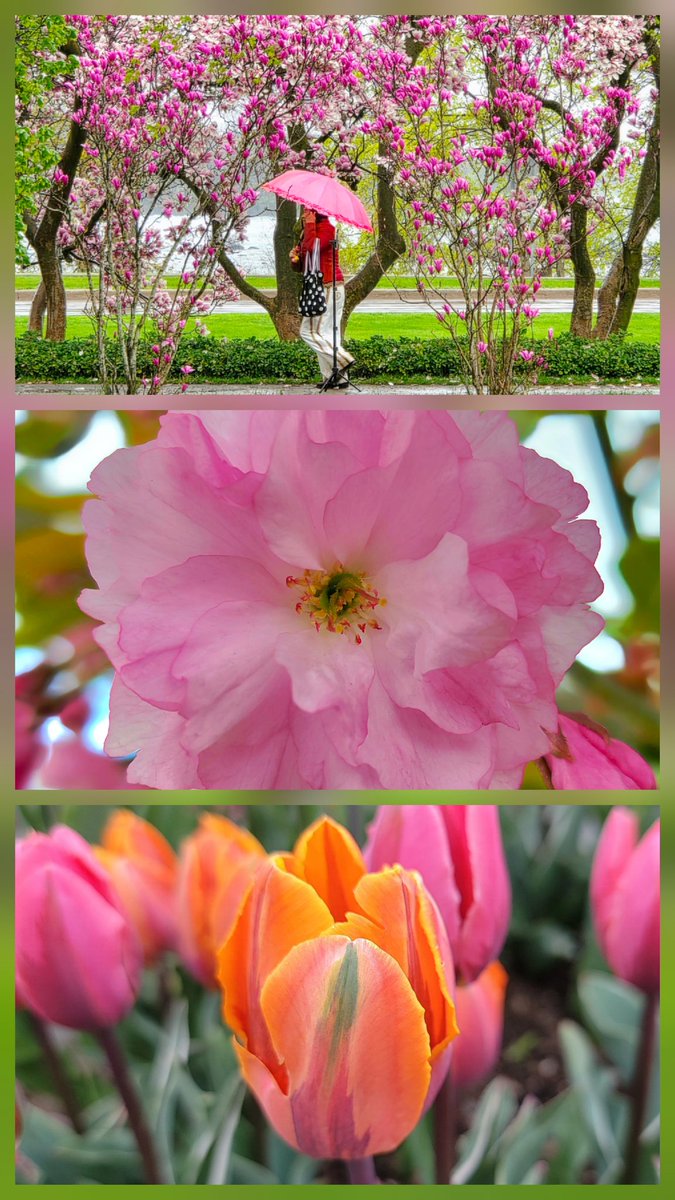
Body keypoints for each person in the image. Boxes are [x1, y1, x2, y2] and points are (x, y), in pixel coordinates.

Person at [291, 208, 355, 389]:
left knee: (309, 332)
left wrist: (310, 225)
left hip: (328, 286)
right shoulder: (310, 231)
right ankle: (336, 378)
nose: (304, 214)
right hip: (322, 286)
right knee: (325, 334)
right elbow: (306, 263)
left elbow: (313, 248)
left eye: (307, 211)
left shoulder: (327, 229)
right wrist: (295, 259)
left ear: (315, 212)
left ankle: (342, 360)